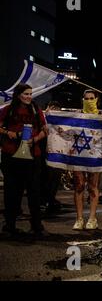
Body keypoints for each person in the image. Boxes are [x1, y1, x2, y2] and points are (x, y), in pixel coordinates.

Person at [0, 84, 47, 235]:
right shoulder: (8, 109)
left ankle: (36, 226)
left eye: (30, 94)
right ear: (18, 94)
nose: (29, 96)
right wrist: (8, 133)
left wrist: (35, 140)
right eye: (26, 94)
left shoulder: (35, 109)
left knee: (34, 192)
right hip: (11, 155)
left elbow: (45, 130)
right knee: (12, 191)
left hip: (33, 155)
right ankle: (10, 226)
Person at [72, 90, 102, 230]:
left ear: (97, 99)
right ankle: (79, 218)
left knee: (93, 187)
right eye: (86, 98)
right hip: (79, 155)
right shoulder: (77, 115)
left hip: (96, 156)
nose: (89, 100)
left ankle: (92, 218)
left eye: (91, 98)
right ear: (83, 99)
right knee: (79, 186)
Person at [40, 101, 63, 215]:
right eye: (53, 108)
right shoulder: (43, 119)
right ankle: (44, 201)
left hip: (58, 156)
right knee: (46, 179)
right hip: (45, 154)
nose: (55, 111)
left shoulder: (62, 123)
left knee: (55, 180)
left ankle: (50, 200)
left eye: (57, 109)